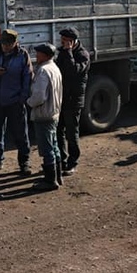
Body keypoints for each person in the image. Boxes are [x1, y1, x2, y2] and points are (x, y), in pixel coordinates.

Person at [0, 28, 34, 175]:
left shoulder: (22, 55)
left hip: (15, 102)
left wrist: (22, 98)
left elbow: (28, 77)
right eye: (4, 43)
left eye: (9, 43)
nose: (6, 46)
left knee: (21, 134)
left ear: (15, 42)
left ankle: (24, 163)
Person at [27, 43, 63, 191]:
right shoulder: (54, 68)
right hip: (54, 113)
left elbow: (39, 96)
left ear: (45, 55)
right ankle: (57, 176)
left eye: (39, 53)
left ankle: (50, 180)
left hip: (44, 114)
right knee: (54, 146)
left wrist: (29, 102)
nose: (36, 56)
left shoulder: (43, 71)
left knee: (47, 148)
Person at [55, 27, 90, 176]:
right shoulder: (62, 53)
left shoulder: (83, 55)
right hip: (62, 98)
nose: (62, 44)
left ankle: (72, 162)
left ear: (72, 41)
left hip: (74, 100)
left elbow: (72, 71)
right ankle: (61, 160)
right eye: (61, 41)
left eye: (65, 41)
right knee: (58, 132)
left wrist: (68, 53)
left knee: (72, 133)